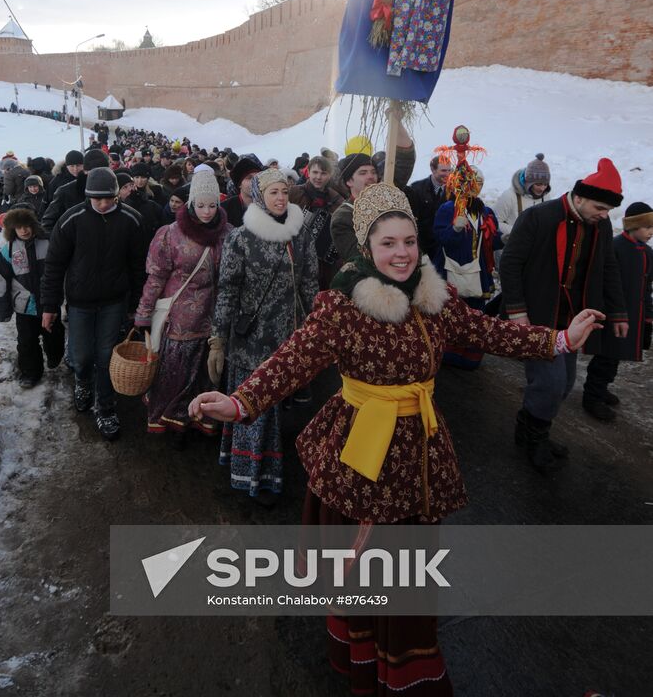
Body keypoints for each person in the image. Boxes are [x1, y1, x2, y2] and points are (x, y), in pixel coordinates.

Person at [189, 183, 603, 696]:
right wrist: (238, 402)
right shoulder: (341, 306)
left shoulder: (434, 297)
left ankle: (401, 662)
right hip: (362, 451)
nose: (403, 252)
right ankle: (372, 663)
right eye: (389, 243)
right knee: (375, 573)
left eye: (409, 240)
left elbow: (487, 332)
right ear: (367, 247)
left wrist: (559, 339)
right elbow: (292, 360)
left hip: (418, 450)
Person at [500, 158, 627, 473]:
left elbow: (608, 267)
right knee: (552, 383)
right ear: (580, 197)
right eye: (599, 207)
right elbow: (510, 263)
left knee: (566, 381)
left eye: (608, 210)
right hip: (539, 315)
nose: (604, 215)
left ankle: (527, 428)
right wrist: (518, 313)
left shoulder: (600, 224)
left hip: (572, 321)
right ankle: (535, 440)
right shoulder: (538, 217)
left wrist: (619, 312)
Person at [210, 168, 318, 503]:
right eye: (273, 192)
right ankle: (254, 476)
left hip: (287, 336)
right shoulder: (240, 238)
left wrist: (316, 325)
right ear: (259, 196)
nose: (281, 198)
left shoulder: (299, 235)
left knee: (276, 408)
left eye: (284, 191)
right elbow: (227, 290)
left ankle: (266, 470)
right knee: (256, 409)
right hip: (251, 339)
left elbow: (311, 283)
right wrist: (218, 339)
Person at [40, 167, 146, 441]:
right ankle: (83, 384)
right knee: (82, 355)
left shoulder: (131, 220)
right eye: (96, 199)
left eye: (107, 198)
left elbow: (137, 267)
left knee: (106, 356)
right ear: (88, 196)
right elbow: (54, 266)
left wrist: (136, 305)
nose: (102, 204)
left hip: (114, 301)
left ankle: (106, 407)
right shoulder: (71, 219)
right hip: (79, 302)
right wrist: (50, 306)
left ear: (116, 195)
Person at [134, 166, 232, 447]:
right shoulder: (170, 234)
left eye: (212, 205)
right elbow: (156, 278)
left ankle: (199, 418)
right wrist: (143, 313)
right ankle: (171, 421)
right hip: (179, 319)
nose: (206, 211)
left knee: (206, 373)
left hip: (213, 317)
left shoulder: (229, 234)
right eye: (200, 205)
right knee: (174, 374)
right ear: (190, 203)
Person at [582, 201, 653, 421]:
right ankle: (591, 397)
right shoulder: (615, 247)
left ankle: (601, 389)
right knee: (605, 357)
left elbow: (647, 286)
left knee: (615, 358)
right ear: (632, 226)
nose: (651, 232)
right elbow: (604, 281)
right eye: (647, 227)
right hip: (612, 315)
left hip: (633, 314)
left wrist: (648, 318)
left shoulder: (648, 253)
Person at [432, 167, 502, 367]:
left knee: (474, 314)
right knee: (449, 313)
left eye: (478, 183)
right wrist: (454, 229)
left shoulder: (486, 212)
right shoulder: (447, 209)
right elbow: (441, 239)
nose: (474, 188)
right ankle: (443, 354)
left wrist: (503, 239)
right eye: (469, 184)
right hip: (449, 271)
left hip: (478, 273)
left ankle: (468, 356)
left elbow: (491, 242)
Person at [0, 207, 65, 387]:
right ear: (12, 229)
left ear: (33, 225)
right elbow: (2, 280)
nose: (24, 230)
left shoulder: (48, 243)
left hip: (48, 302)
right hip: (24, 306)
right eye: (19, 227)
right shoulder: (8, 250)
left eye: (27, 226)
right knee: (26, 342)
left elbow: (60, 271)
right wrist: (4, 308)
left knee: (53, 335)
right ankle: (30, 372)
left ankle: (54, 356)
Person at [331, 119, 415, 263]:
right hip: (370, 282)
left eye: (373, 172)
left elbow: (405, 160)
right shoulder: (343, 217)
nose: (370, 177)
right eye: (362, 173)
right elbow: (358, 258)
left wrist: (397, 119)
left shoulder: (386, 197)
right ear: (349, 181)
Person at [289, 155, 344, 290]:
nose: (318, 177)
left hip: (325, 265)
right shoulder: (294, 193)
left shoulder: (337, 200)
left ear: (329, 175)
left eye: (323, 173)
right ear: (308, 172)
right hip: (297, 257)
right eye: (315, 172)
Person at [42, 149, 110, 233]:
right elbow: (47, 223)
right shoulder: (65, 191)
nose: (99, 177)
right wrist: (65, 242)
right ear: (85, 171)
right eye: (93, 172)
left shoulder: (115, 187)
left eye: (104, 172)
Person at [494, 153, 551, 245]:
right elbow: (495, 223)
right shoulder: (509, 196)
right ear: (528, 182)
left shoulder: (546, 196)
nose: (542, 188)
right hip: (511, 248)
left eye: (545, 184)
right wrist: (518, 231)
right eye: (538, 184)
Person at [408, 155, 451, 256]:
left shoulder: (455, 191)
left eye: (450, 170)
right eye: (444, 171)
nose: (448, 174)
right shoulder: (416, 189)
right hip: (422, 248)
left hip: (444, 249)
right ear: (433, 169)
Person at [222, 156, 263, 227]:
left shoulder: (270, 204)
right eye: (249, 178)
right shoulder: (225, 210)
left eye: (258, 177)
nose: (255, 181)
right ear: (239, 184)